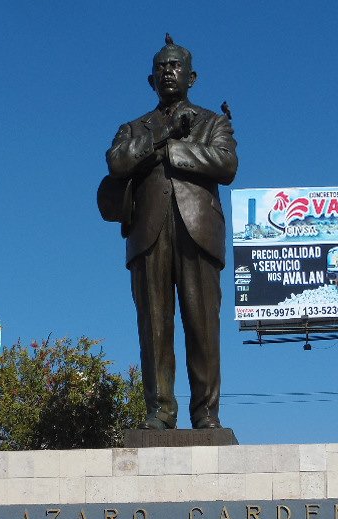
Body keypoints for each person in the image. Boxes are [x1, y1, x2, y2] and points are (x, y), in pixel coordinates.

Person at [101, 35, 238, 430]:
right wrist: (163, 137)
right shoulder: (133, 128)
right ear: (150, 79)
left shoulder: (214, 122)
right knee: (154, 324)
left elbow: (226, 165)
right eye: (161, 67)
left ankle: (206, 414)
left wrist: (174, 152)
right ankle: (159, 410)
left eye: (175, 66)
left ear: (191, 76)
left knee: (202, 325)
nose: (168, 72)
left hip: (198, 229)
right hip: (148, 231)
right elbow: (118, 162)